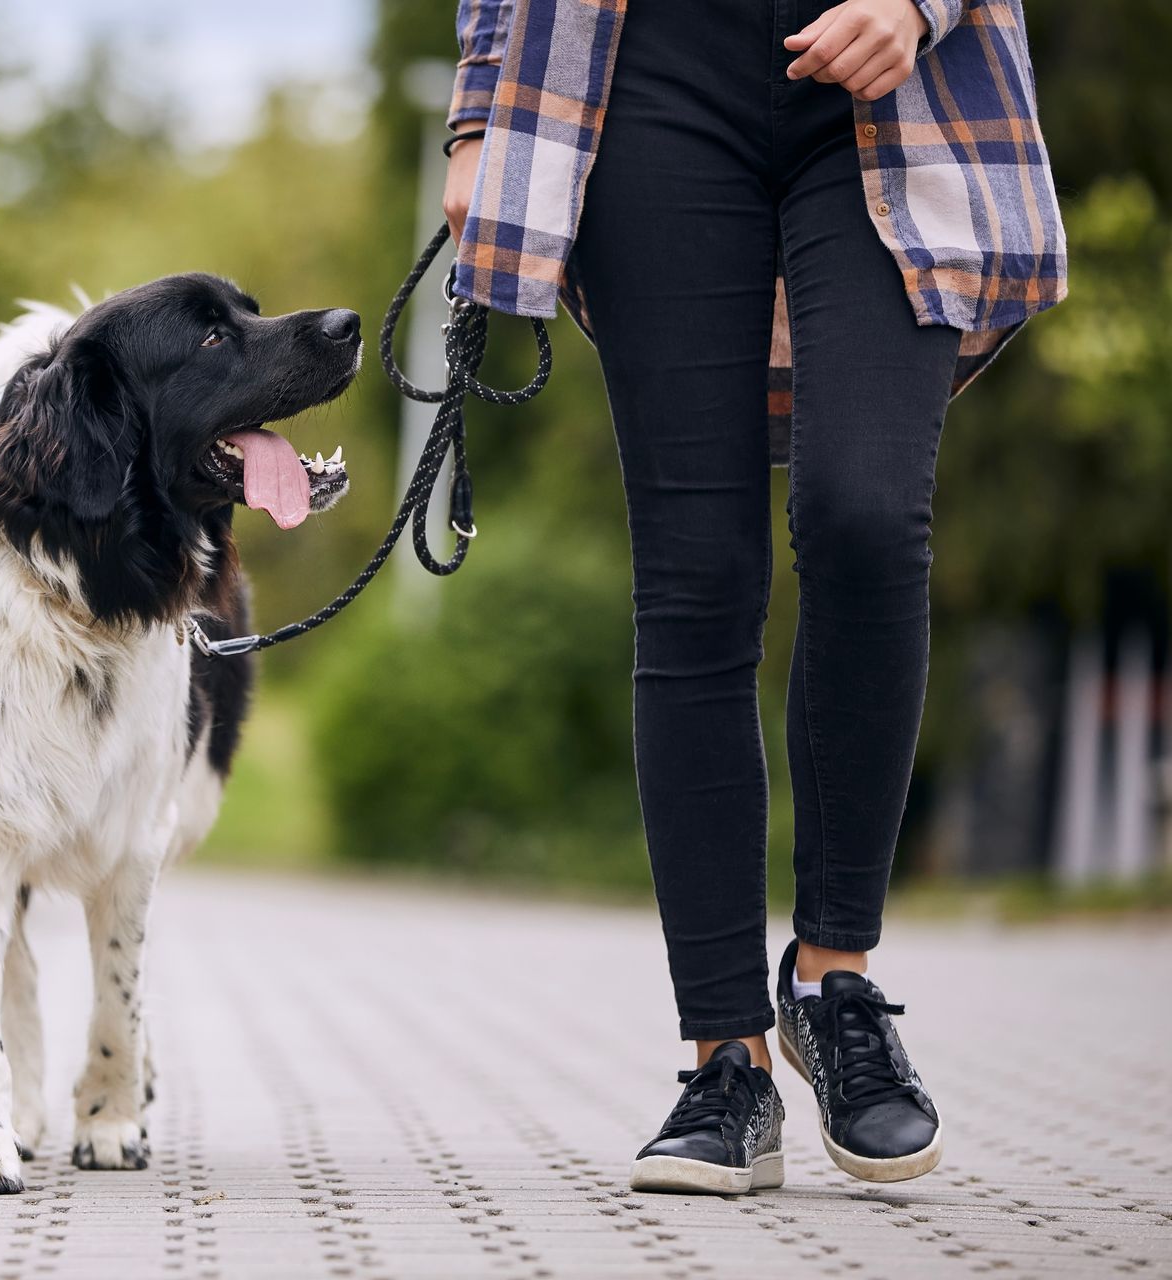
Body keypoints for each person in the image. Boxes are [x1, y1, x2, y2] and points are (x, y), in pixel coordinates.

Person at [442, 0, 1065, 1195]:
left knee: (868, 515)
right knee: (695, 573)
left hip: (896, 80)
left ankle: (836, 985)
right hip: (650, 74)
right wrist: (478, 111)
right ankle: (723, 1061)